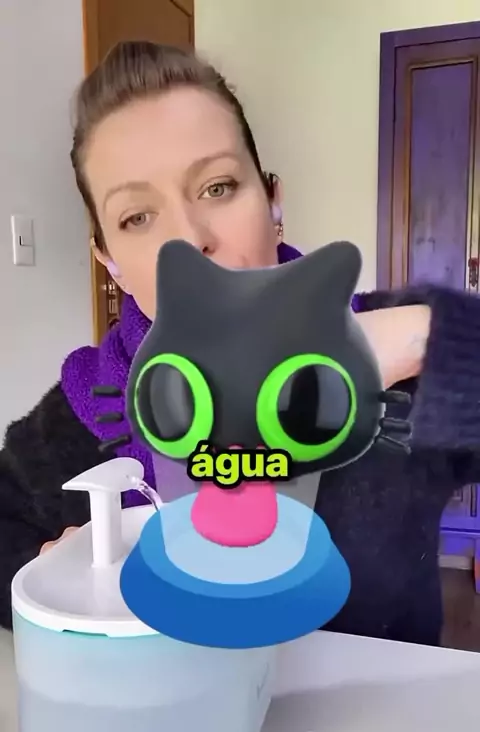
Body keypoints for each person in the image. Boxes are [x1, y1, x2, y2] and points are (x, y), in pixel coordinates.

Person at [0, 40, 479, 645]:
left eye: (217, 187)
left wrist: (424, 338)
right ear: (110, 261)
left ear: (273, 201)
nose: (189, 239)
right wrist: (43, 579)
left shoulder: (399, 359)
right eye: (137, 217)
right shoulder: (86, 410)